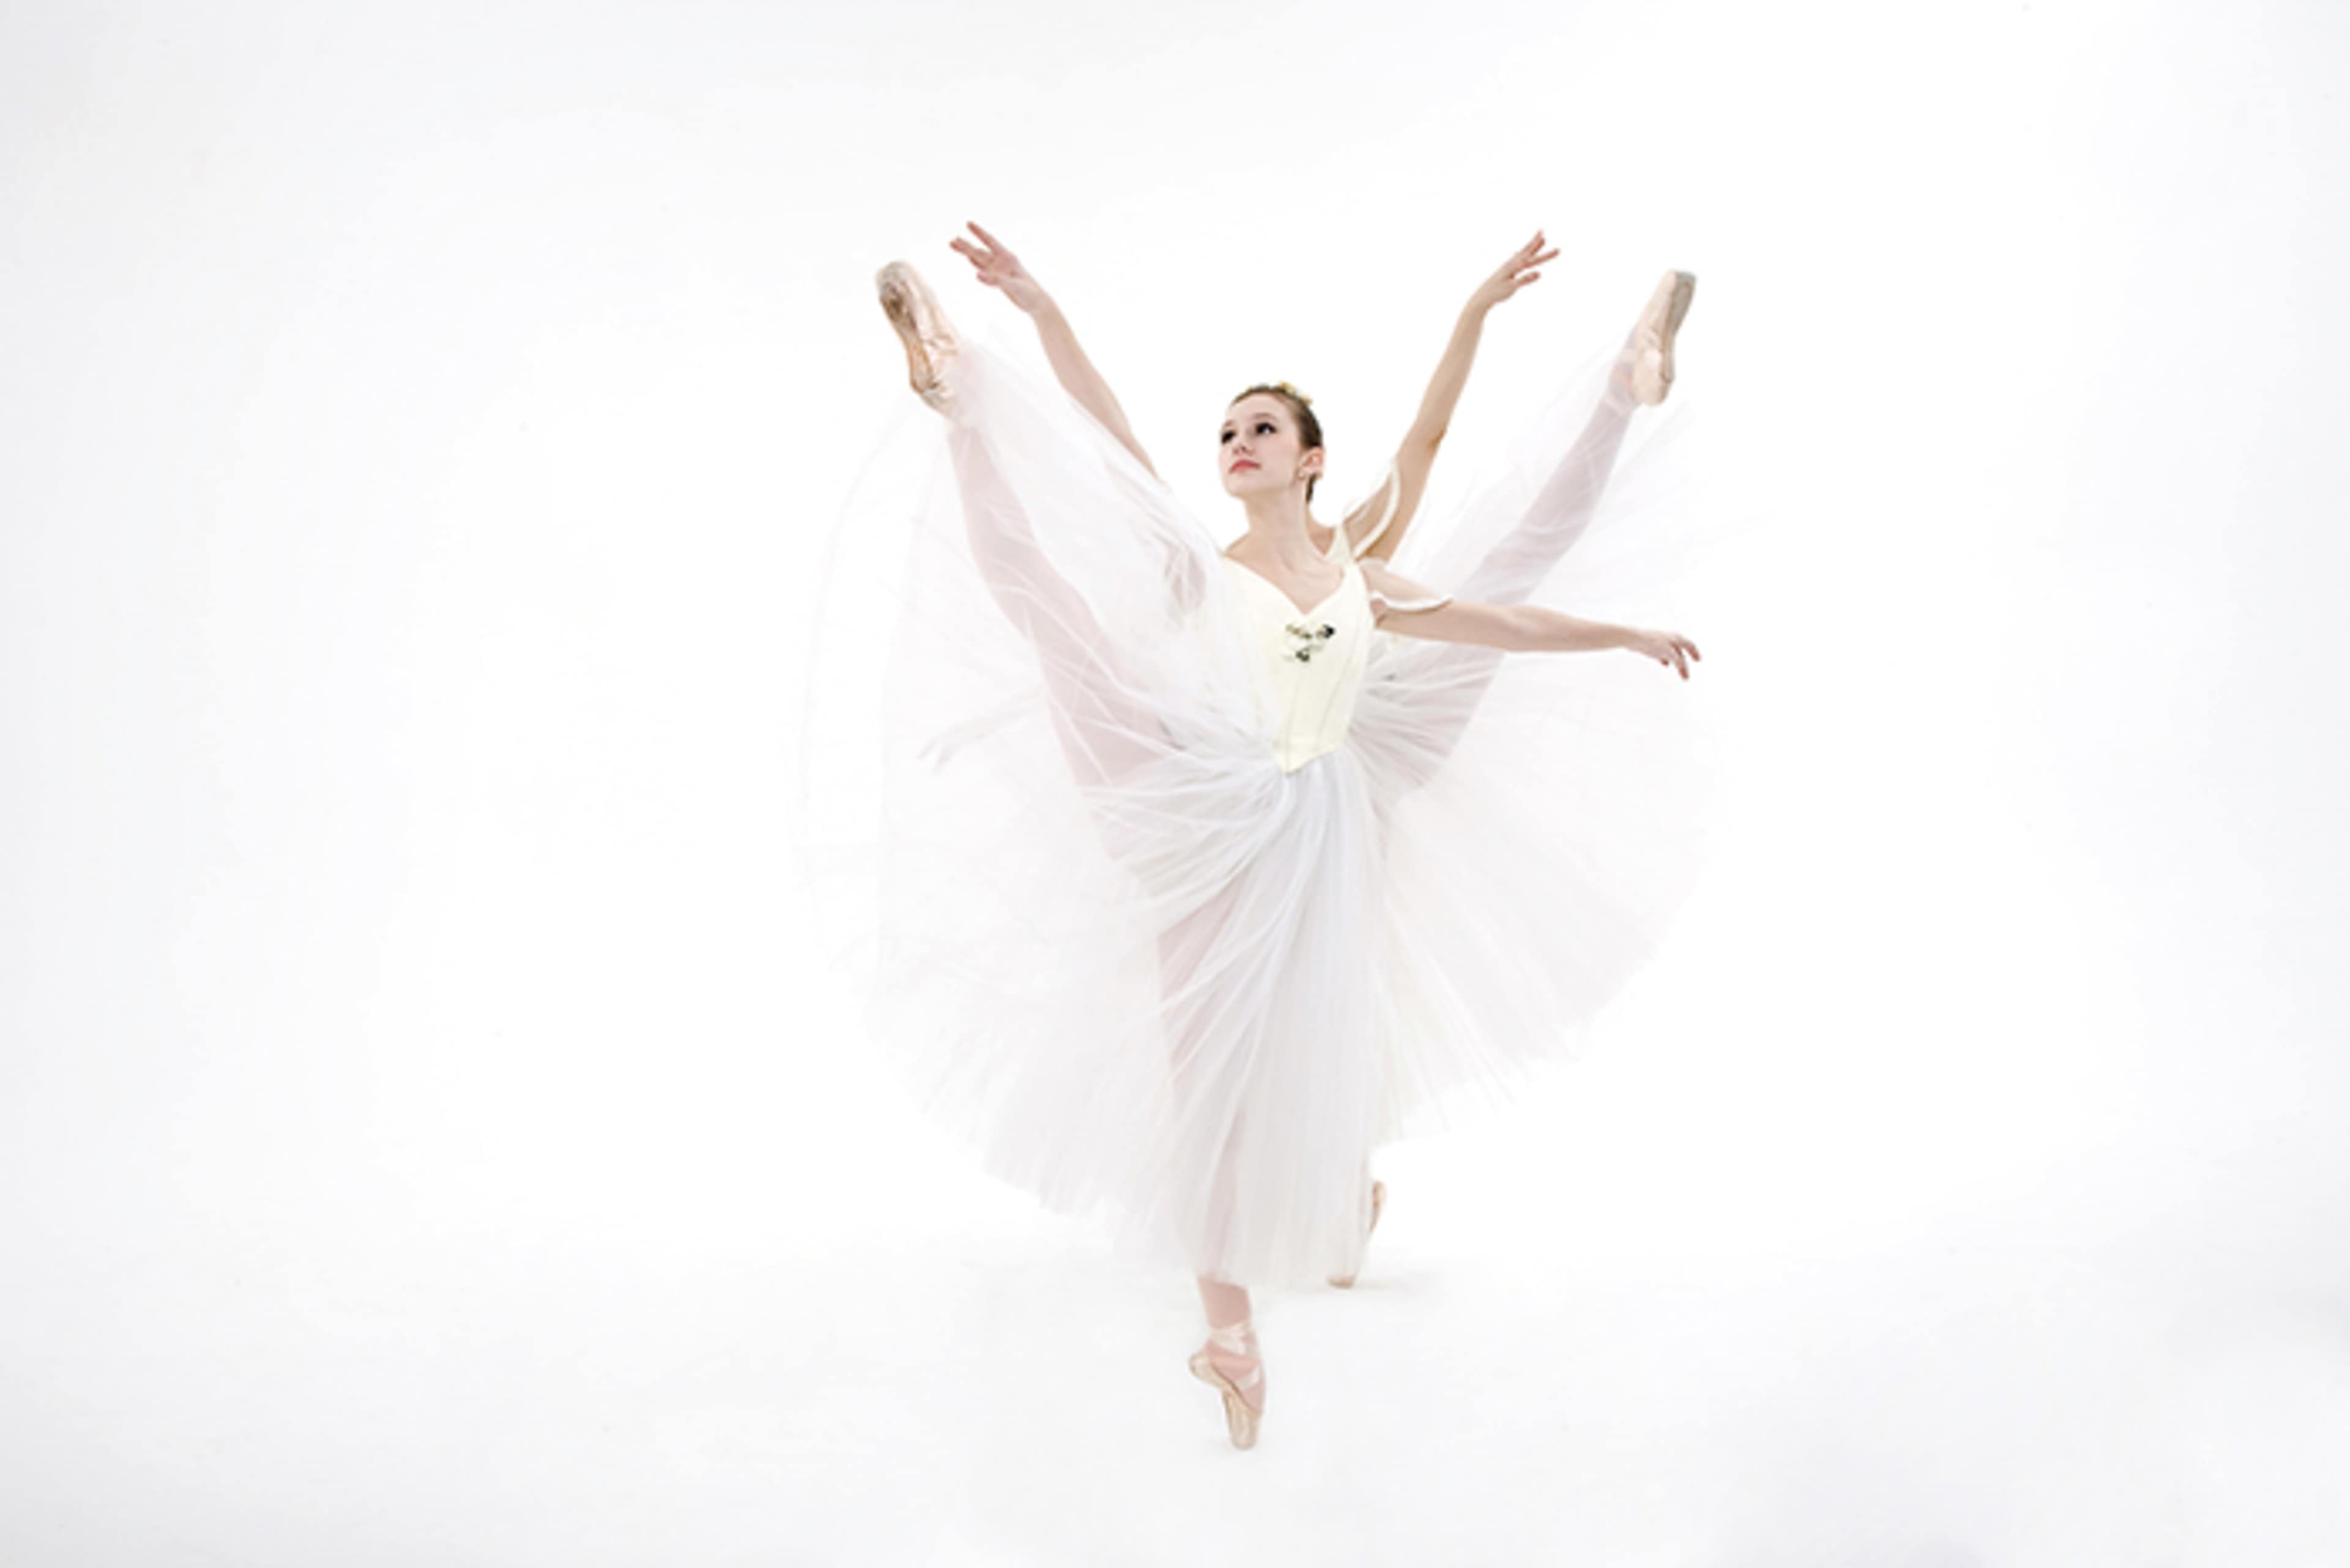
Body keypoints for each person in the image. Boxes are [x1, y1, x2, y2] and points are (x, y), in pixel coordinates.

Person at [864, 224, 1701, 1450]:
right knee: (1052, 619)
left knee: (1322, 1029)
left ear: (1309, 461)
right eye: (1228, 432)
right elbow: (1107, 436)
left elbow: (1485, 572)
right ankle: (963, 403)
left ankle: (1625, 390)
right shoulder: (1194, 562)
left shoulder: (1367, 570)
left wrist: (1617, 631)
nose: (1238, 443)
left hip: (1333, 796)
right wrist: (1040, 310)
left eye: (1263, 428)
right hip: (1204, 798)